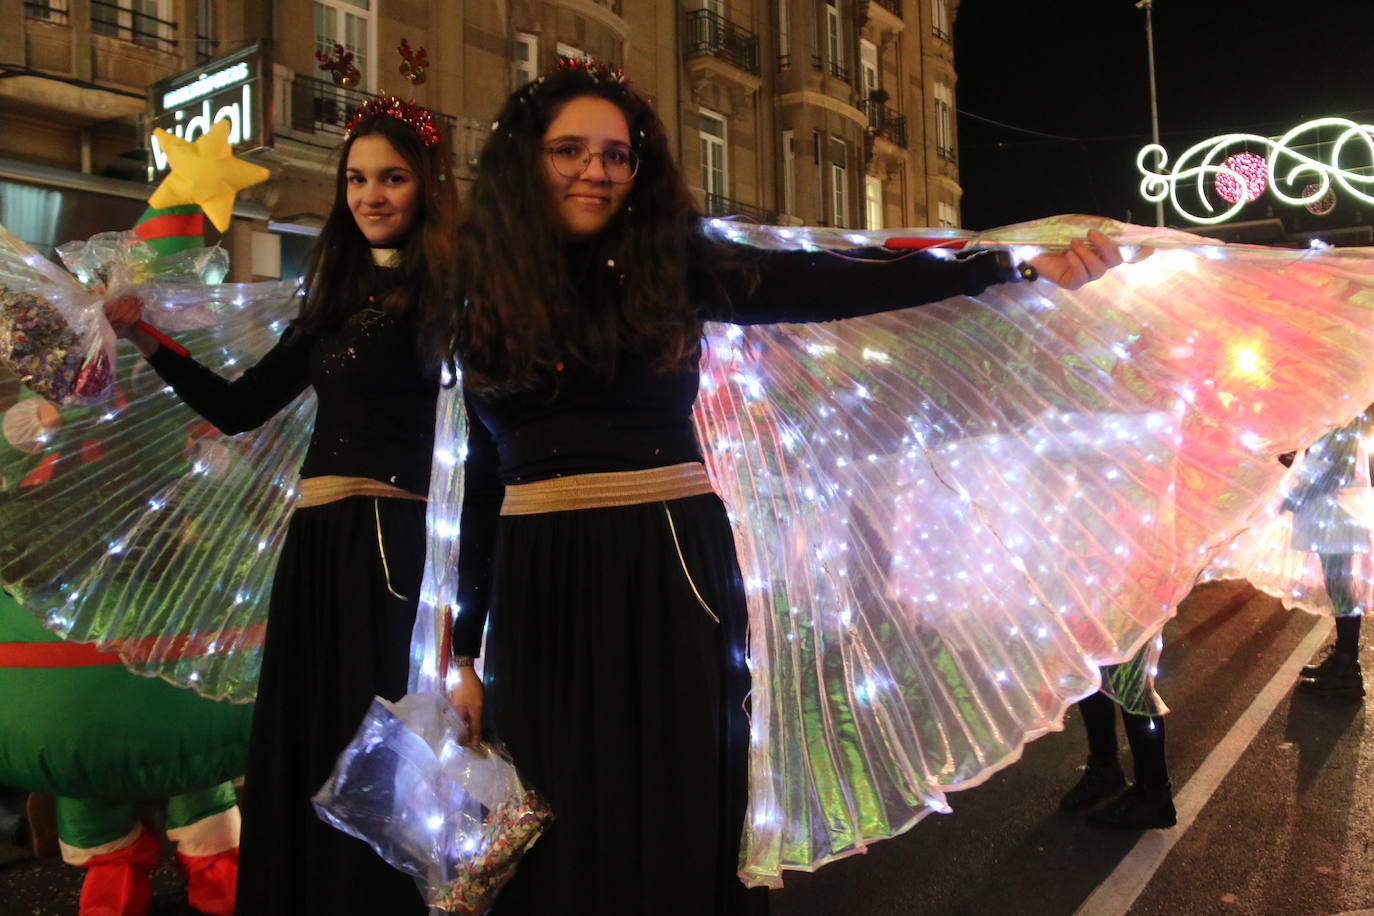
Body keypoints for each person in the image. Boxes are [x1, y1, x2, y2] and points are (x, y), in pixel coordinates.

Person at [440, 59, 1130, 914]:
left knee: (677, 798)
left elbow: (842, 282)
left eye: (617, 155)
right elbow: (480, 477)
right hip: (537, 578)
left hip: (670, 567)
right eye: (570, 150)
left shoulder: (674, 264)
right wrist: (464, 649)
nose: (596, 170)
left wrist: (1009, 265)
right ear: (525, 163)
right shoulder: (482, 293)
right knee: (553, 802)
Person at [104, 96, 458, 915]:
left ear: (427, 187)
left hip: (396, 549)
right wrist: (150, 340)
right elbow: (240, 407)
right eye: (358, 179)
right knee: (314, 735)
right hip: (317, 543)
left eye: (393, 178)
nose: (371, 195)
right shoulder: (332, 301)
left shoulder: (459, 300)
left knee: (382, 743)